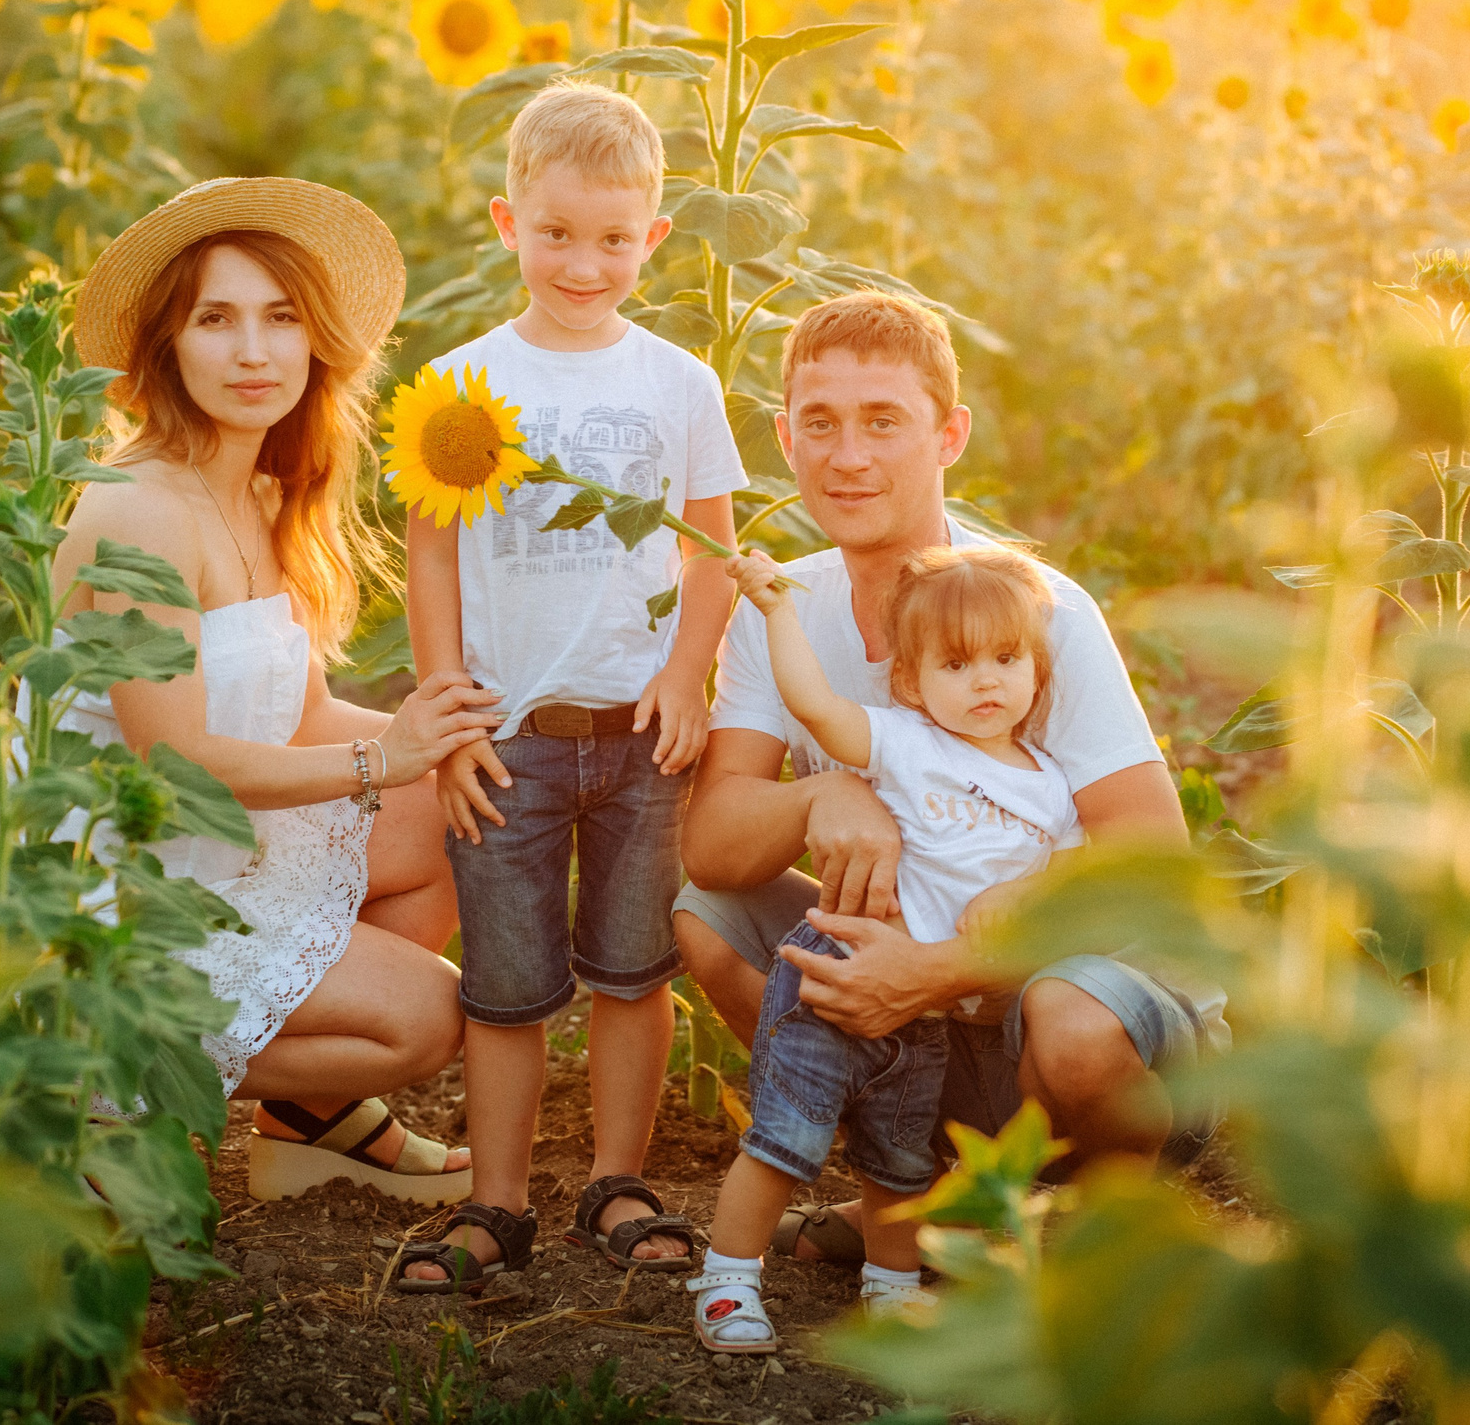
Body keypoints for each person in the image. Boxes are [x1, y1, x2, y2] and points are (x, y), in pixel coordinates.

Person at [673, 291, 1224, 1270]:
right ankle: (915, 1190)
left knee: (1074, 1023)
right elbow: (715, 843)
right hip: (932, 1027)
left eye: (883, 421)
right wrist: (820, 794)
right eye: (821, 423)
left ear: (948, 435)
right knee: (708, 918)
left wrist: (929, 976)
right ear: (785, 438)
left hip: (1086, 1027)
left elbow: (1150, 863)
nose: (848, 456)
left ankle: (1107, 1231)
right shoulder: (779, 610)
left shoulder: (1026, 610)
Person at [50, 177, 502, 1205]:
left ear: (315, 343)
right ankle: (99, 1080)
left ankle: (308, 1114)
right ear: (167, 346)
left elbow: (292, 716)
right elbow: (170, 769)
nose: (253, 351)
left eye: (280, 318)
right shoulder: (139, 511)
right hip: (123, 890)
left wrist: (436, 744)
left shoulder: (254, 493)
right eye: (217, 320)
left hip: (214, 844)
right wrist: (377, 762)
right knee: (427, 1017)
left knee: (455, 803)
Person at [393, 81, 748, 1293]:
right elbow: (432, 548)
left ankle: (615, 1177)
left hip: (641, 732)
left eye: (611, 239)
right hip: (510, 733)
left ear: (652, 238)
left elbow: (711, 546)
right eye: (555, 233)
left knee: (631, 970)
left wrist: (688, 677)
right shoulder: (459, 382)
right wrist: (444, 707)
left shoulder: (678, 383)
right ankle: (496, 1201)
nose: (582, 263)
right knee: (504, 987)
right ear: (507, 224)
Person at [687, 544, 1079, 1351]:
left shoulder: (1049, 786)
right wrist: (778, 610)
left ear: (1038, 670)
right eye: (958, 662)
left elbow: (1077, 869)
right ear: (911, 681)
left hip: (922, 1008)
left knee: (898, 1162)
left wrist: (1024, 893)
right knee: (784, 1139)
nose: (985, 681)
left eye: (1007, 659)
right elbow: (816, 703)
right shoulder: (904, 739)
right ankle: (727, 1278)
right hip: (834, 978)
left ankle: (893, 1291)